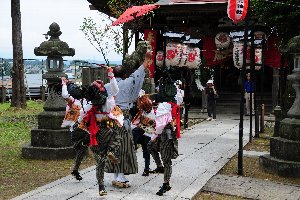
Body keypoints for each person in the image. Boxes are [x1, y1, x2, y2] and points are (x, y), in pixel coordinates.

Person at [104, 51, 152, 188]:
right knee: (123, 147)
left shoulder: (107, 87)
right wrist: (144, 64)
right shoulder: (126, 83)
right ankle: (120, 176)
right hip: (122, 118)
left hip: (110, 120)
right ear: (124, 75)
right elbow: (136, 76)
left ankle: (117, 175)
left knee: (115, 146)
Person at [81, 67, 124, 196]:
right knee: (119, 134)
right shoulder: (109, 101)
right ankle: (111, 150)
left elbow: (83, 116)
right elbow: (116, 89)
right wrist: (111, 74)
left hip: (96, 133)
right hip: (108, 130)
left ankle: (101, 186)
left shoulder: (91, 105)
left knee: (100, 161)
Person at [61, 77, 89, 181]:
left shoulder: (84, 100)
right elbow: (65, 95)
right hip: (76, 129)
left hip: (84, 128)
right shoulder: (72, 101)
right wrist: (64, 84)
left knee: (82, 150)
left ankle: (75, 170)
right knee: (87, 141)